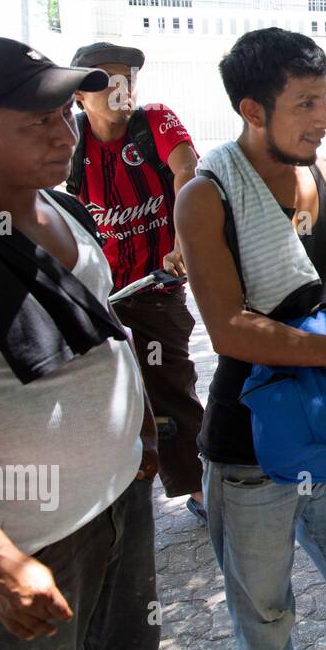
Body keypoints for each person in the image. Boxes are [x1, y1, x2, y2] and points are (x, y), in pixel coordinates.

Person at [175, 28, 326, 650]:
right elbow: (229, 329)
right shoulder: (206, 198)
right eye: (306, 103)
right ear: (251, 111)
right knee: (266, 614)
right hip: (250, 443)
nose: (325, 120)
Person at [0, 36, 159, 650]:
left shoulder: (64, 207)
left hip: (120, 500)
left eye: (67, 113)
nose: (67, 136)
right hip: (31, 544)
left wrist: (144, 434)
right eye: (38, 122)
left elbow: (105, 333)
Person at [67, 41, 206, 522]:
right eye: (104, 80)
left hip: (155, 286)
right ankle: (117, 489)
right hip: (95, 294)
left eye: (127, 77)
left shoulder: (155, 121)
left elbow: (186, 169)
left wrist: (185, 237)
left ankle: (197, 485)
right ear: (80, 93)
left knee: (171, 384)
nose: (119, 88)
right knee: (103, 395)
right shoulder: (70, 136)